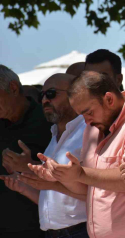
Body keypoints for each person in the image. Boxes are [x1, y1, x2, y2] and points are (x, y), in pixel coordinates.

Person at [30, 71, 125, 238]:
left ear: (109, 99)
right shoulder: (92, 128)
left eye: (89, 112)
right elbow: (87, 189)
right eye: (82, 115)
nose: (86, 121)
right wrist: (62, 176)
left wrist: (80, 174)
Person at [1, 73, 88, 238]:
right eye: (42, 95)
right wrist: (23, 187)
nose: (45, 100)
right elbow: (51, 195)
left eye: (51, 94)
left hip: (80, 231)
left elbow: (92, 191)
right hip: (53, 233)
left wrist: (28, 165)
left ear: (76, 95)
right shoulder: (54, 136)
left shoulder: (88, 131)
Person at [0, 65, 52, 237]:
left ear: (13, 88)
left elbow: (67, 176)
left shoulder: (48, 122)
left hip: (36, 228)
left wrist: (28, 166)